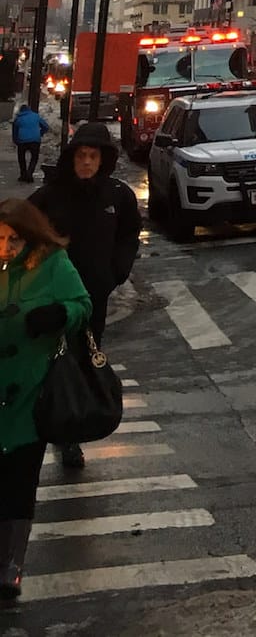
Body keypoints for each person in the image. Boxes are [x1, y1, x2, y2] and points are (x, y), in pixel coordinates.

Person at [31, 123, 139, 472]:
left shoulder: (117, 196)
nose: (87, 162)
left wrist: (116, 272)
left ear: (103, 160)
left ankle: (74, 428)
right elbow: (22, 228)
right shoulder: (51, 196)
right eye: (82, 156)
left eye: (93, 157)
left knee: (84, 363)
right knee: (56, 364)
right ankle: (58, 431)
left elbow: (129, 234)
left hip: (94, 296)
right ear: (72, 158)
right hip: (55, 300)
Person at [0, 197, 92, 601]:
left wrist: (59, 315)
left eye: (13, 239)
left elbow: (82, 304)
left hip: (30, 394)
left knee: (20, 481)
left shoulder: (52, 263)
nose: (5, 247)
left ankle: (10, 566)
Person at [10, 108, 47, 185]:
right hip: (35, 140)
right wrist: (40, 133)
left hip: (22, 141)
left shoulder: (18, 119)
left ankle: (23, 175)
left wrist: (16, 141)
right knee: (34, 158)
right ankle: (29, 174)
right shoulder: (36, 116)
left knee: (21, 158)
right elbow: (45, 126)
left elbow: (15, 131)